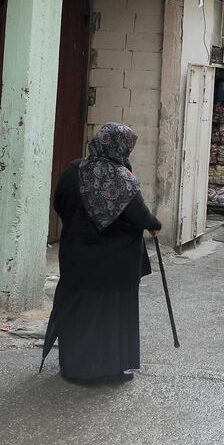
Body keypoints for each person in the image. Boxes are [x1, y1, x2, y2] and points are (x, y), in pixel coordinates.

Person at [41, 123, 161, 383]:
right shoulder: (123, 180)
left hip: (76, 260)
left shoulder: (74, 171)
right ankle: (106, 371)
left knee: (78, 311)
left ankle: (73, 368)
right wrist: (155, 225)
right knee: (109, 316)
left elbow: (59, 203)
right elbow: (142, 217)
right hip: (114, 267)